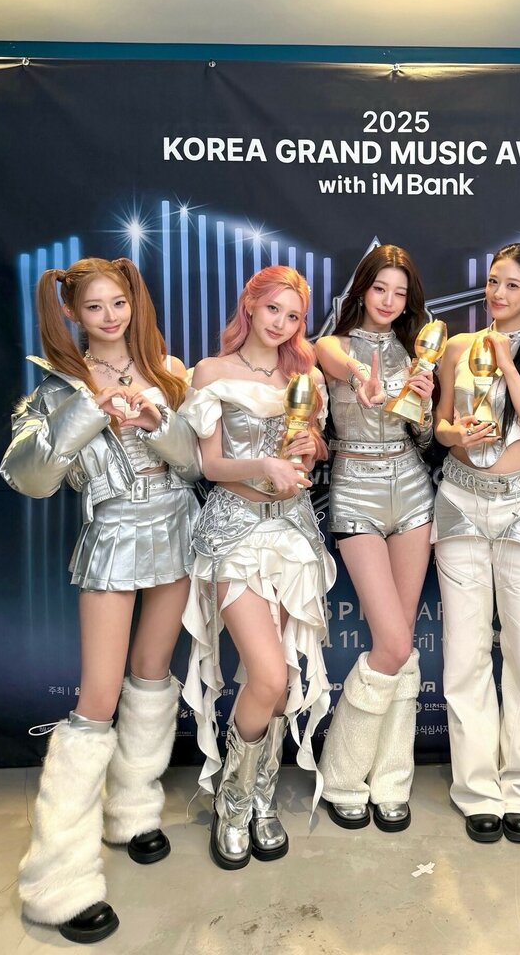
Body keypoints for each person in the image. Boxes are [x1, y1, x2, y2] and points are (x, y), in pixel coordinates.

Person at [0, 257, 201, 945]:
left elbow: (194, 463)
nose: (111, 317)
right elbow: (29, 479)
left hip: (176, 525)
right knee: (98, 698)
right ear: (72, 313)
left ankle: (133, 810)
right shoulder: (58, 387)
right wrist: (90, 408)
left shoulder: (167, 370)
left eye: (119, 303)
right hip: (113, 533)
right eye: (95, 307)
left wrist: (154, 417)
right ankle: (56, 883)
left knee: (153, 673)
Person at [180, 265, 334, 870]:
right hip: (234, 533)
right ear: (250, 305)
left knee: (282, 682)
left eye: (294, 316)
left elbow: (310, 454)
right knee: (267, 677)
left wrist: (310, 449)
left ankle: (262, 797)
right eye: (273, 309)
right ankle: (233, 800)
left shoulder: (307, 376)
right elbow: (210, 466)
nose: (282, 324)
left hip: (292, 534)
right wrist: (262, 467)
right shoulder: (211, 372)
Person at [432, 242, 520, 844]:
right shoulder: (456, 347)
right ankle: (477, 789)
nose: (498, 293)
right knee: (464, 654)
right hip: (460, 503)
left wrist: (509, 364)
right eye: (493, 281)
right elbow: (438, 426)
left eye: (512, 285)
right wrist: (456, 433)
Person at [315, 245, 434, 832]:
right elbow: (335, 360)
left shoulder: (418, 352)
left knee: (402, 644)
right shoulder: (331, 345)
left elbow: (426, 438)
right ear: (361, 289)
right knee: (390, 640)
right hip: (355, 486)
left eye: (400, 293)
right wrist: (365, 377)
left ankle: (391, 781)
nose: (388, 301)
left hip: (412, 488)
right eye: (380, 288)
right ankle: (341, 776)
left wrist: (425, 404)